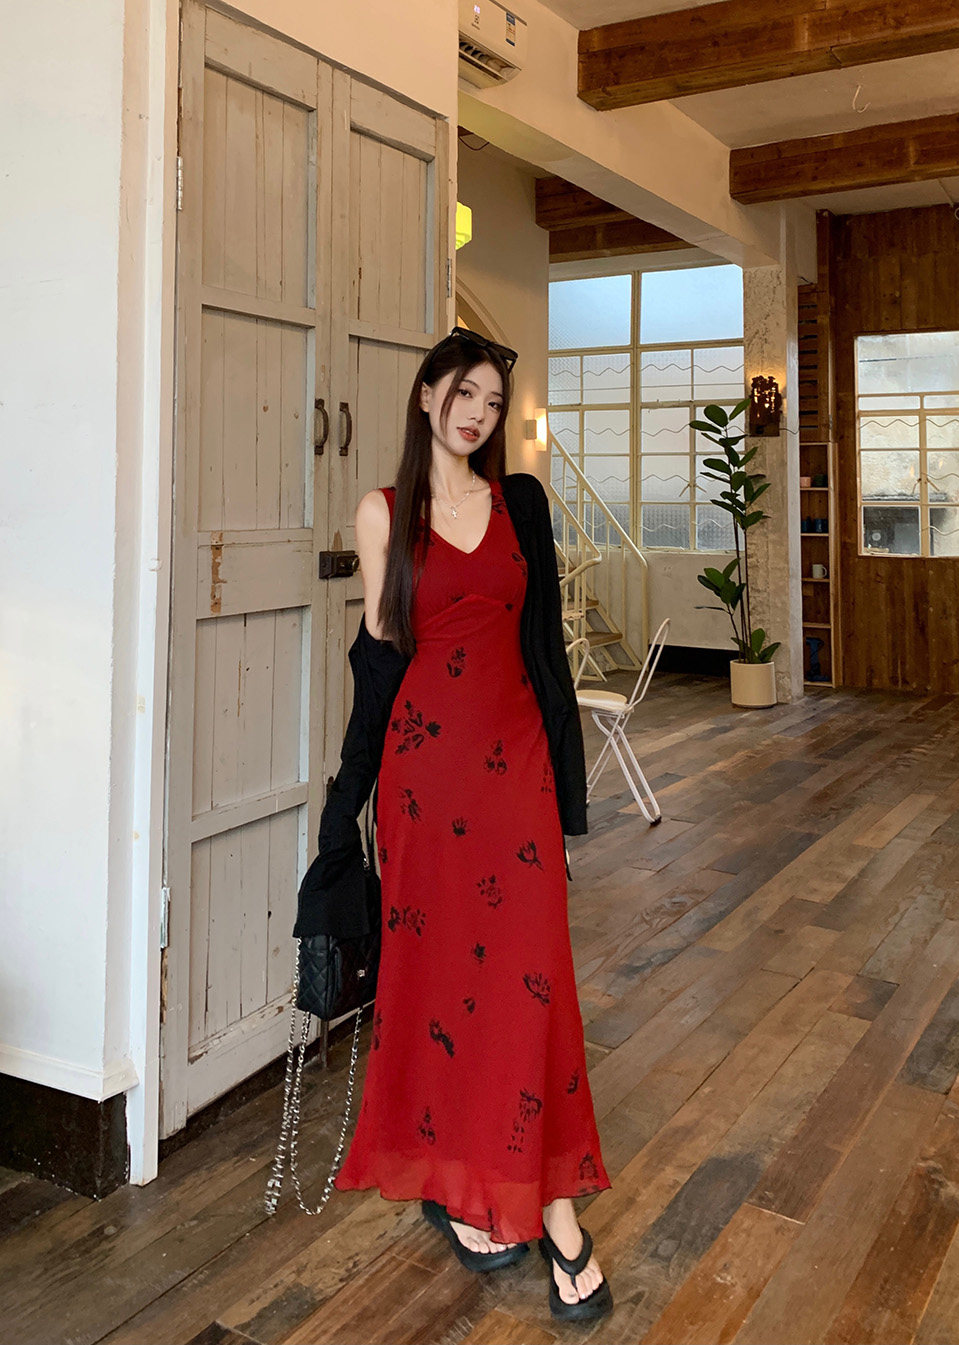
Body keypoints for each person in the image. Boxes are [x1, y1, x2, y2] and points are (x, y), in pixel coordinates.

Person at [307, 327, 612, 1322]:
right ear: (426, 393)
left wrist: (567, 789)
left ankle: (550, 1201)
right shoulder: (384, 513)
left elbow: (545, 652)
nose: (477, 412)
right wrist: (342, 808)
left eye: (491, 399)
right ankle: (459, 1178)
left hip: (515, 771)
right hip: (425, 782)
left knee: (532, 978)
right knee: (443, 980)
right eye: (464, 392)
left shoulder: (521, 503)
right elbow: (378, 664)